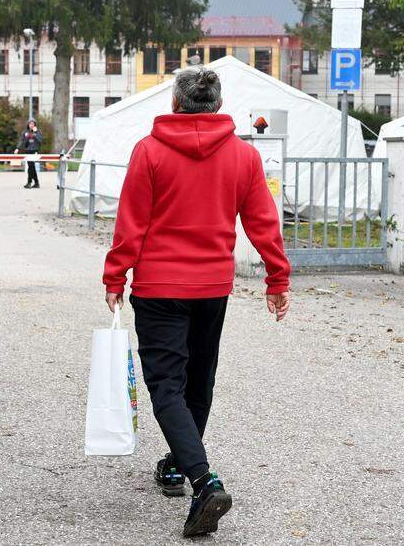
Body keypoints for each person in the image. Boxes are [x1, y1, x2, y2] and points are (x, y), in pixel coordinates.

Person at [102, 66, 291, 538]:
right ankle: (176, 464)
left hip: (159, 287)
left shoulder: (149, 152)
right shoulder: (244, 156)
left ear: (175, 104)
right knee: (199, 382)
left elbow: (131, 222)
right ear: (217, 104)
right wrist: (276, 276)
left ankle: (204, 481)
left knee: (166, 384)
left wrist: (115, 273)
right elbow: (262, 221)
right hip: (212, 287)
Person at [14, 119, 43, 188]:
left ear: (35, 125)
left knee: (31, 167)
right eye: (30, 124)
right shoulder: (25, 132)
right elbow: (22, 141)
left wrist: (35, 133)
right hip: (27, 150)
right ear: (28, 125)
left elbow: (40, 140)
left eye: (33, 124)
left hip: (34, 150)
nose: (31, 125)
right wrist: (17, 148)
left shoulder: (38, 132)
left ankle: (30, 182)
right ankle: (36, 182)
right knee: (31, 167)